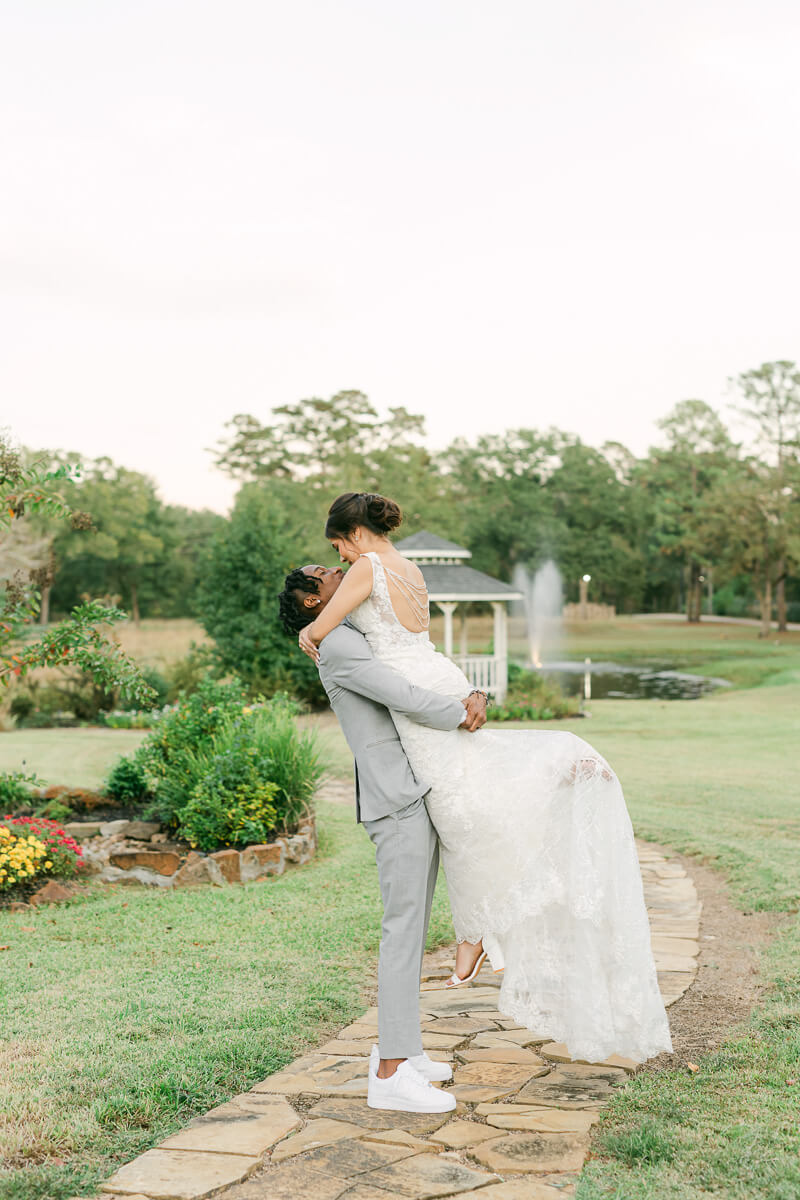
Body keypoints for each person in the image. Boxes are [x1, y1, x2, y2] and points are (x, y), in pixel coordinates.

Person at [290, 491, 672, 1064]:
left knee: (462, 804)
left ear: (354, 533)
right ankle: (478, 926)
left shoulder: (363, 569)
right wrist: (465, 694)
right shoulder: (408, 567)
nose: (338, 557)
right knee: (466, 795)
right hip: (440, 672)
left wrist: (309, 634)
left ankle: (479, 923)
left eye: (337, 544)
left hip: (422, 692)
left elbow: (324, 626)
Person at [278, 563, 489, 1113]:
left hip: (411, 789)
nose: (337, 571)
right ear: (309, 603)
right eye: (322, 574)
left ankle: (406, 1051)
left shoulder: (348, 631)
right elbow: (397, 691)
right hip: (393, 799)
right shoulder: (338, 644)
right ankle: (391, 1074)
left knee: (413, 929)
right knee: (402, 931)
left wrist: (469, 690)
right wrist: (460, 713)